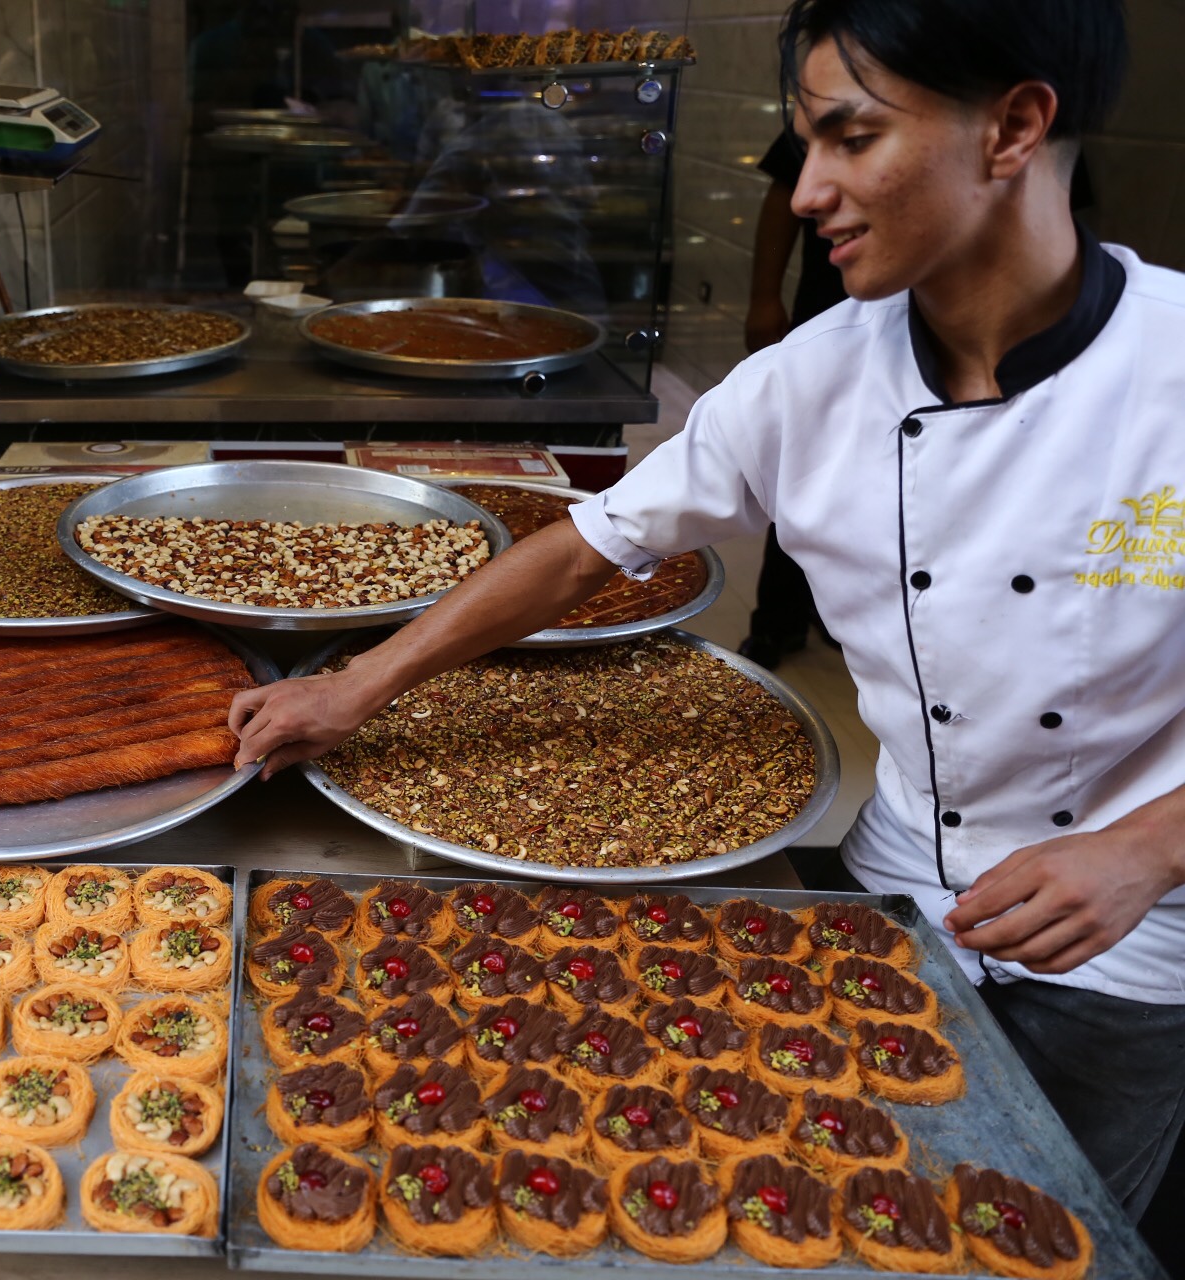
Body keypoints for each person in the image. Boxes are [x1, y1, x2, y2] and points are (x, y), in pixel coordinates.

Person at [230, 0, 1185, 1219]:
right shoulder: (807, 379)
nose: (805, 194)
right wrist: (354, 684)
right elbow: (584, 547)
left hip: (1133, 945)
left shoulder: (1173, 371)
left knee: (1060, 1230)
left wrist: (1146, 850)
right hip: (893, 892)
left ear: (1013, 127)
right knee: (816, 1198)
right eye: (807, 147)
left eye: (850, 138)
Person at [738, 129, 850, 670]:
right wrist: (764, 296)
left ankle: (840, 618)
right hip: (825, 316)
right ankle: (777, 621)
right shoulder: (824, 342)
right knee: (801, 473)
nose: (812, 198)